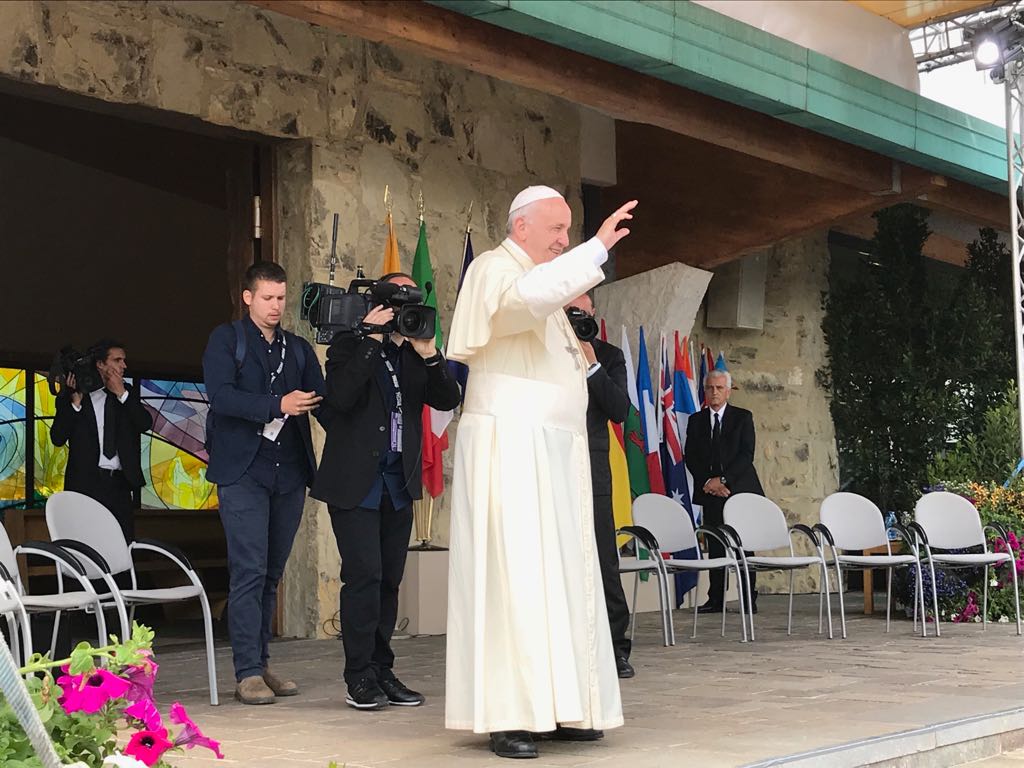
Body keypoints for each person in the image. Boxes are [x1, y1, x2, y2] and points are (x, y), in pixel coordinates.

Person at [445, 185, 637, 760]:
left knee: (561, 581)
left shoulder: (547, 286)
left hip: (557, 453)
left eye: (569, 230)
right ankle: (510, 714)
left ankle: (563, 707)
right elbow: (521, 305)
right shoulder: (494, 270)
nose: (563, 239)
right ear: (521, 226)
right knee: (516, 579)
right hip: (511, 446)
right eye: (556, 229)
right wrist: (594, 251)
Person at [311, 272, 461, 712]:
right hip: (355, 483)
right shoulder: (346, 345)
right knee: (364, 578)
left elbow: (448, 397)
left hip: (398, 483)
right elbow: (339, 397)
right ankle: (358, 675)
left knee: (390, 581)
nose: (403, 314)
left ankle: (382, 669)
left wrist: (431, 355)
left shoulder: (415, 353)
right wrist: (371, 339)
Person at [203, 261, 326, 706]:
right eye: (268, 298)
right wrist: (278, 403)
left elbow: (320, 394)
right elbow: (221, 396)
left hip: (289, 470)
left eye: (281, 298)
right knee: (249, 572)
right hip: (243, 471)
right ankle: (247, 671)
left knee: (272, 573)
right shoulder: (227, 340)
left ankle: (262, 661)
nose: (276, 306)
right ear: (248, 297)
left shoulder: (297, 348)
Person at [565, 293, 633, 679]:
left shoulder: (607, 355)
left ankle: (615, 648)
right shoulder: (545, 350)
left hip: (592, 469)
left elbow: (620, 410)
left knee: (603, 559)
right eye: (571, 312)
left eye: (584, 313)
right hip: (552, 462)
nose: (578, 318)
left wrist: (591, 364)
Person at [50, 339, 153, 542]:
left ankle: (121, 575)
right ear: (100, 364)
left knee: (122, 543)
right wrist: (75, 403)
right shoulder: (73, 396)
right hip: (86, 483)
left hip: (119, 484)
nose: (124, 365)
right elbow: (58, 438)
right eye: (117, 360)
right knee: (87, 542)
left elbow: (144, 423)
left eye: (124, 360)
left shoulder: (127, 394)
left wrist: (121, 394)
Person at [685, 369, 764, 615]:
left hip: (738, 490)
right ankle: (715, 598)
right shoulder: (696, 421)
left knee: (743, 546)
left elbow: (745, 455)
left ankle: (748, 597)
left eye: (719, 388)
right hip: (711, 492)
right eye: (710, 388)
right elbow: (691, 457)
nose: (714, 392)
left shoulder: (742, 417)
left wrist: (723, 480)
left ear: (728, 391)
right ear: (705, 391)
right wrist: (709, 482)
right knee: (716, 545)